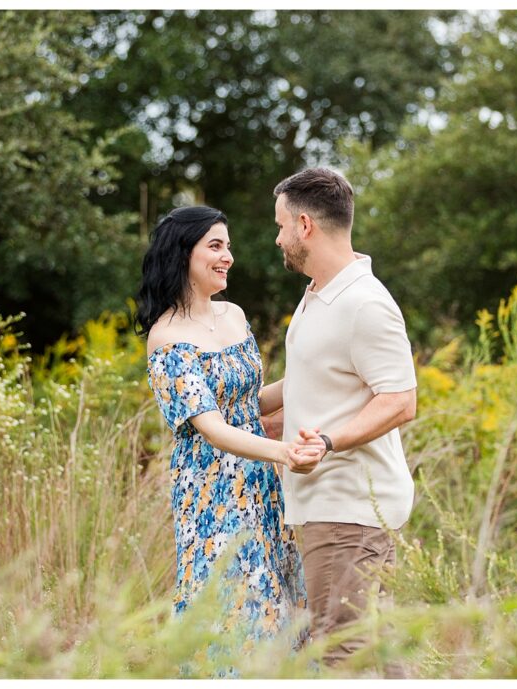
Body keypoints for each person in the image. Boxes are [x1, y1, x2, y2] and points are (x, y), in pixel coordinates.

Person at [135, 205, 324, 651]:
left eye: (228, 246)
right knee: (235, 604)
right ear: (184, 254)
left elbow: (247, 402)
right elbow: (213, 427)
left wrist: (322, 374)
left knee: (279, 598)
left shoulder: (234, 315)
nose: (228, 256)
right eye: (215, 246)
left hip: (259, 479)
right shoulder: (166, 337)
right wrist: (282, 452)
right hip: (211, 490)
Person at [259, 167, 418, 667]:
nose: (278, 236)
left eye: (282, 224)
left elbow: (400, 400)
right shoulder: (317, 296)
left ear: (305, 225)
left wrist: (327, 441)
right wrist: (225, 408)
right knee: (369, 644)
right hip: (330, 506)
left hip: (350, 507)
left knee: (339, 650)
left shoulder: (365, 304)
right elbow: (311, 381)